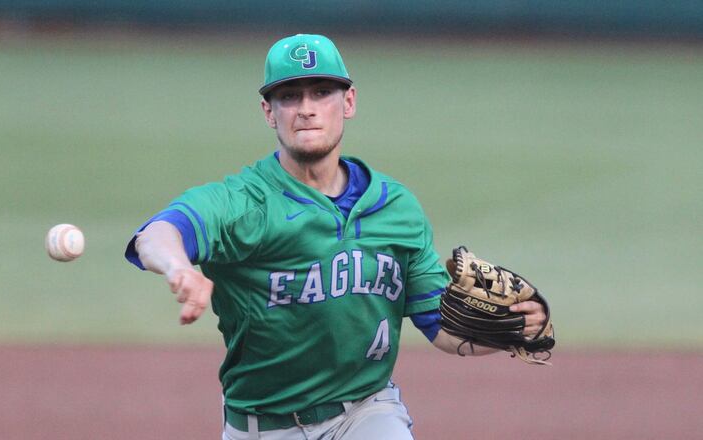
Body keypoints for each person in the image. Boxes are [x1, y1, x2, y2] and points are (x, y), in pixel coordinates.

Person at [125, 34, 547, 440]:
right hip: (261, 425)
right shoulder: (243, 203)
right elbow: (156, 234)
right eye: (289, 96)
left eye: (321, 92)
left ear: (348, 102)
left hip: (366, 412)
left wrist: (512, 331)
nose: (306, 109)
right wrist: (179, 266)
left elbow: (442, 328)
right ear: (269, 113)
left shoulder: (397, 209)